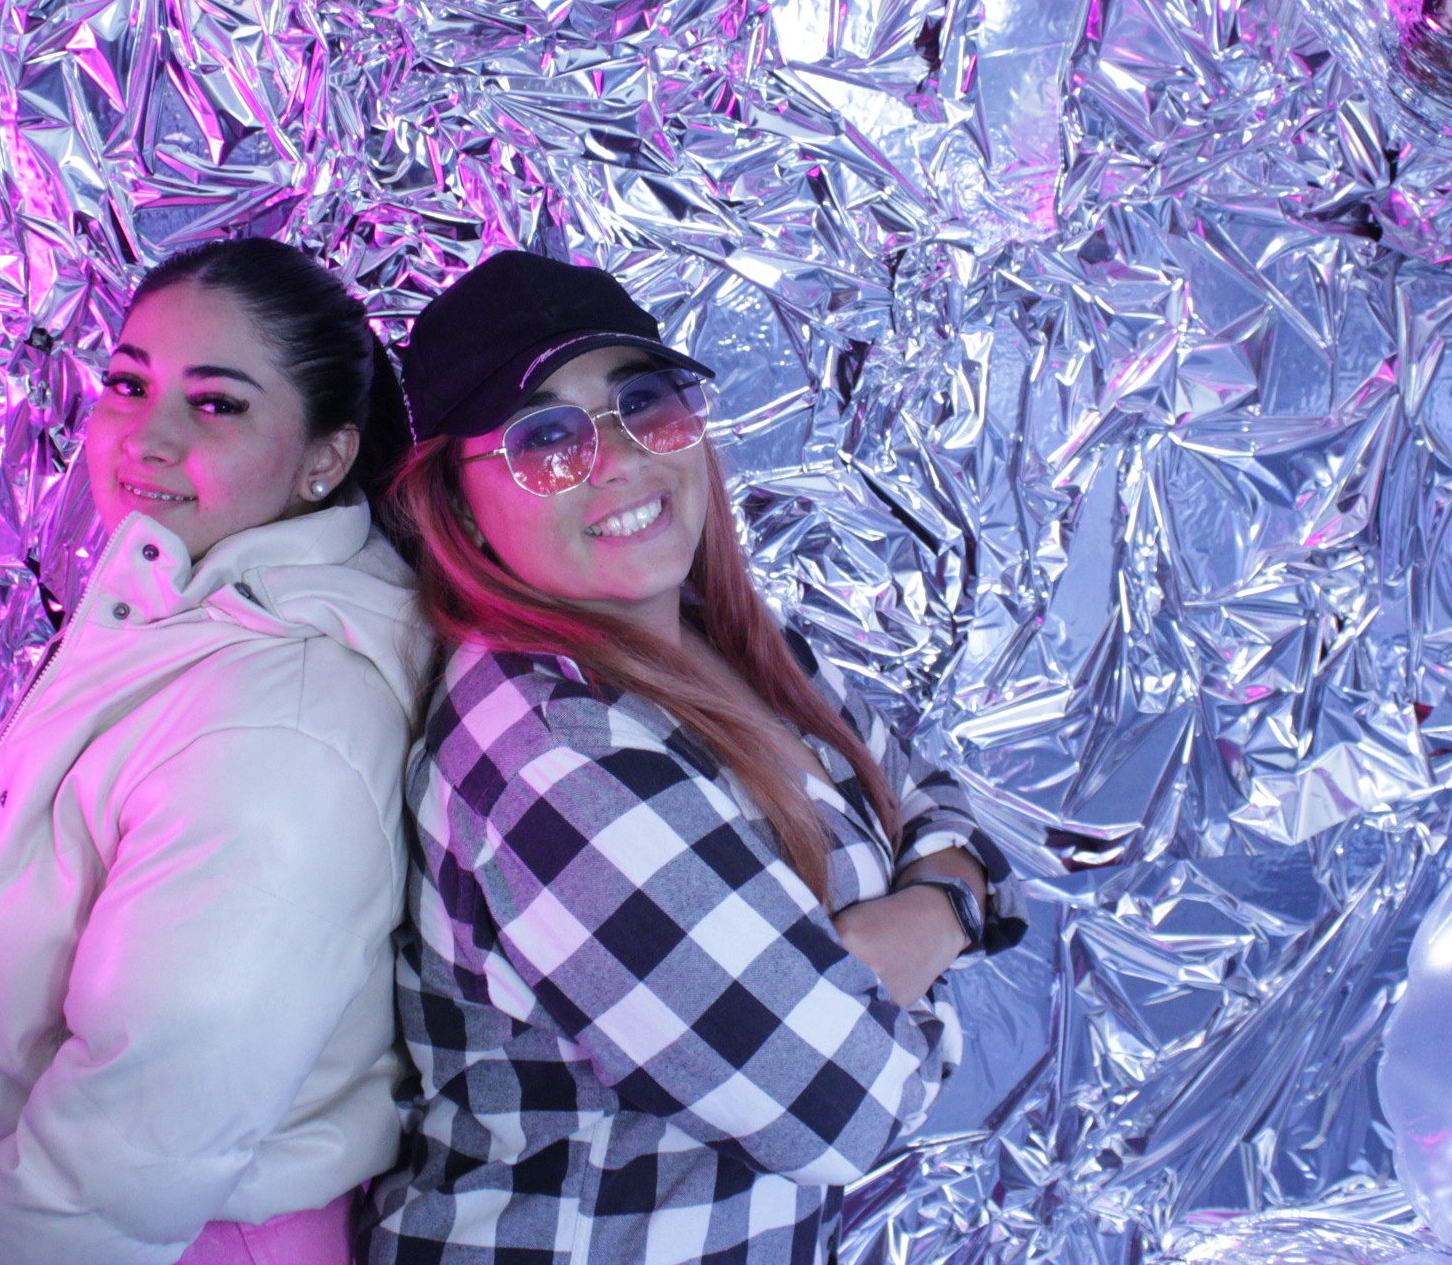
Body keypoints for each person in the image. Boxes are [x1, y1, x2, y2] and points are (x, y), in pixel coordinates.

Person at [371, 250, 1024, 1265]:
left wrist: (891, 938)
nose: (621, 460)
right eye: (545, 440)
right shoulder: (555, 766)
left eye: (644, 403)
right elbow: (853, 1101)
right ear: (458, 508)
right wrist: (949, 910)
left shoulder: (735, 644)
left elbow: (942, 800)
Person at [0, 237, 429, 1265]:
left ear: (325, 458)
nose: (148, 436)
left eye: (216, 403)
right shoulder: (186, 611)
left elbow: (135, 1135)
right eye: (129, 384)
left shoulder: (283, 721)